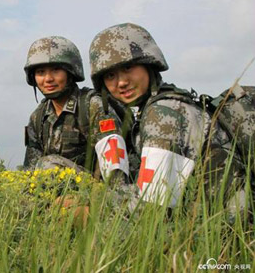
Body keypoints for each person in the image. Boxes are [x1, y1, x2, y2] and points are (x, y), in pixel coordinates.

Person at [89, 22, 246, 209]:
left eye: (128, 68)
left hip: (223, 223)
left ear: (149, 65)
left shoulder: (163, 113)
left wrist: (90, 208)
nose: (121, 82)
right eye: (110, 76)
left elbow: (153, 204)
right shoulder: (161, 106)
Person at [23, 36, 129, 183]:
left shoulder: (93, 106)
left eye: (56, 70)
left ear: (71, 72)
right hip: (56, 197)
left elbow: (116, 174)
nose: (48, 79)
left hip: (99, 193)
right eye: (40, 72)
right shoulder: (38, 117)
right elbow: (30, 170)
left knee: (48, 164)